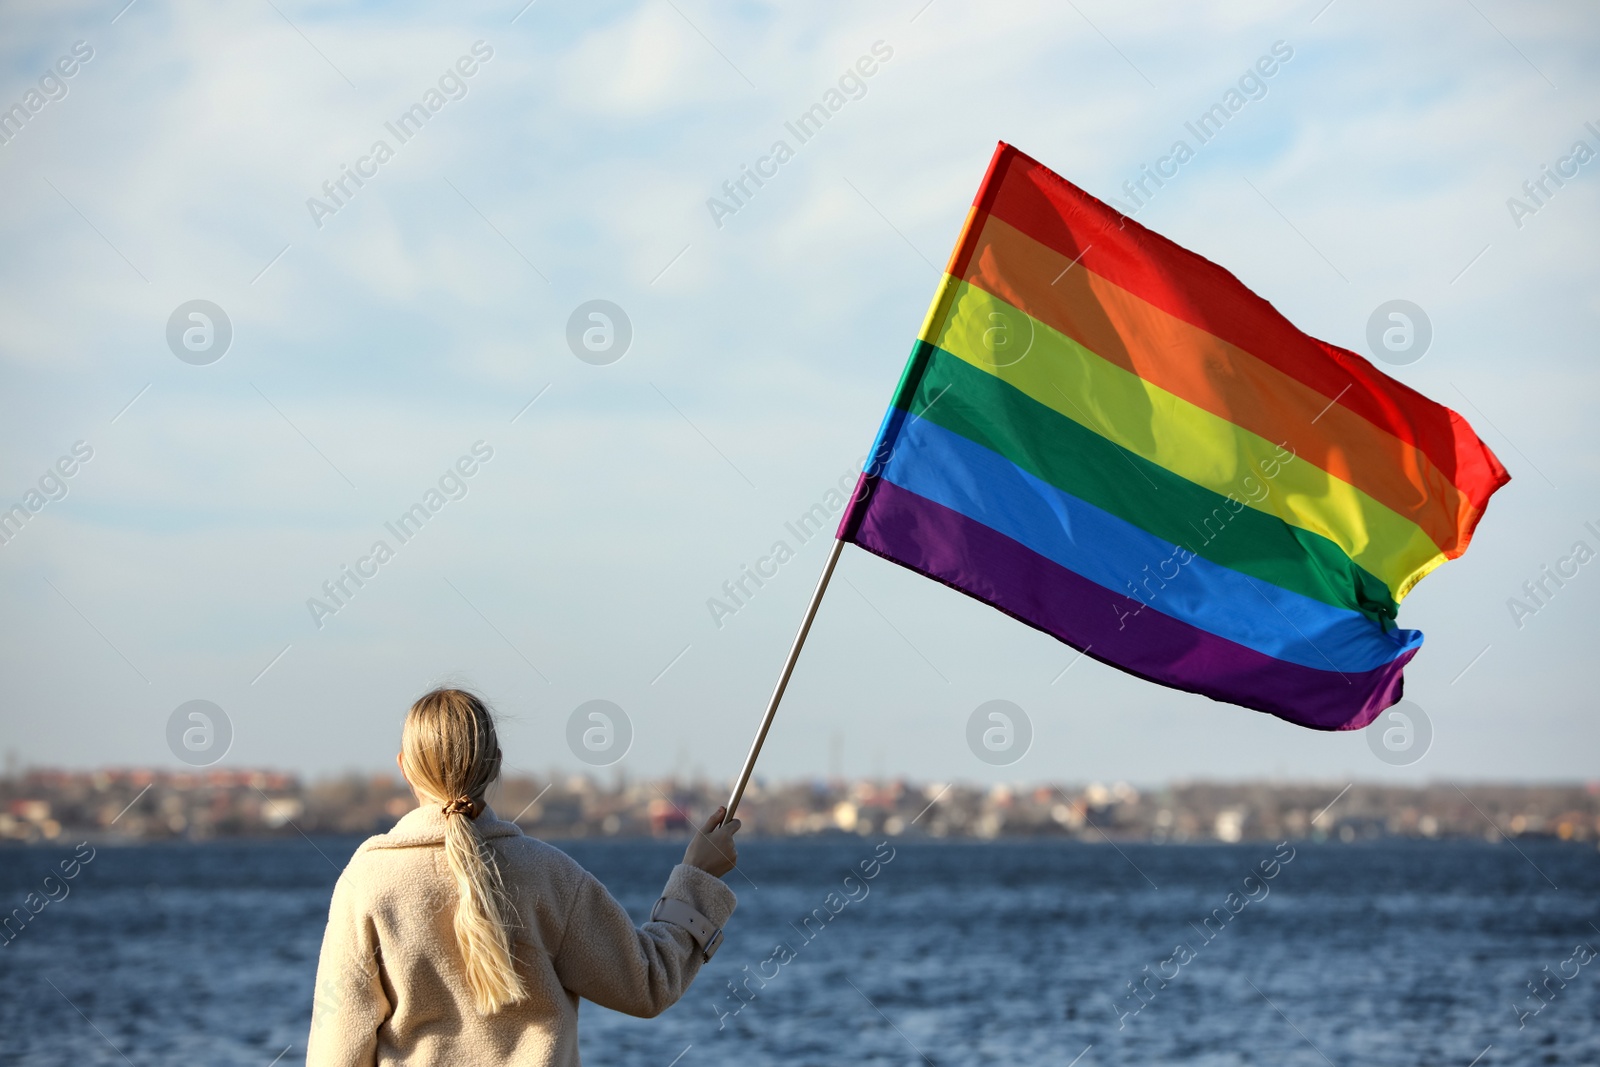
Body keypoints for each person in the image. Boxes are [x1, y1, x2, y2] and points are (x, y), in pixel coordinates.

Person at [306, 688, 741, 1066]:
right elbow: (648, 983)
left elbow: (337, 1050)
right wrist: (696, 876)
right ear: (495, 765)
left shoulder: (366, 883)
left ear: (405, 767)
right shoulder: (550, 875)